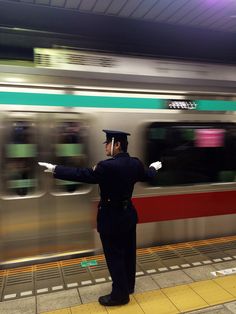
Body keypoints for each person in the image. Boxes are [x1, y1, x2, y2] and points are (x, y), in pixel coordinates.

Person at [38, 129, 162, 306]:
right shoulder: (135, 164)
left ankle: (120, 295)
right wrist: (153, 167)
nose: (105, 147)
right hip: (128, 215)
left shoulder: (107, 167)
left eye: (107, 144)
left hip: (111, 217)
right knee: (128, 253)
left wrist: (56, 169)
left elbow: (83, 174)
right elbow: (147, 175)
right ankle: (128, 286)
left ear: (116, 145)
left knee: (114, 256)